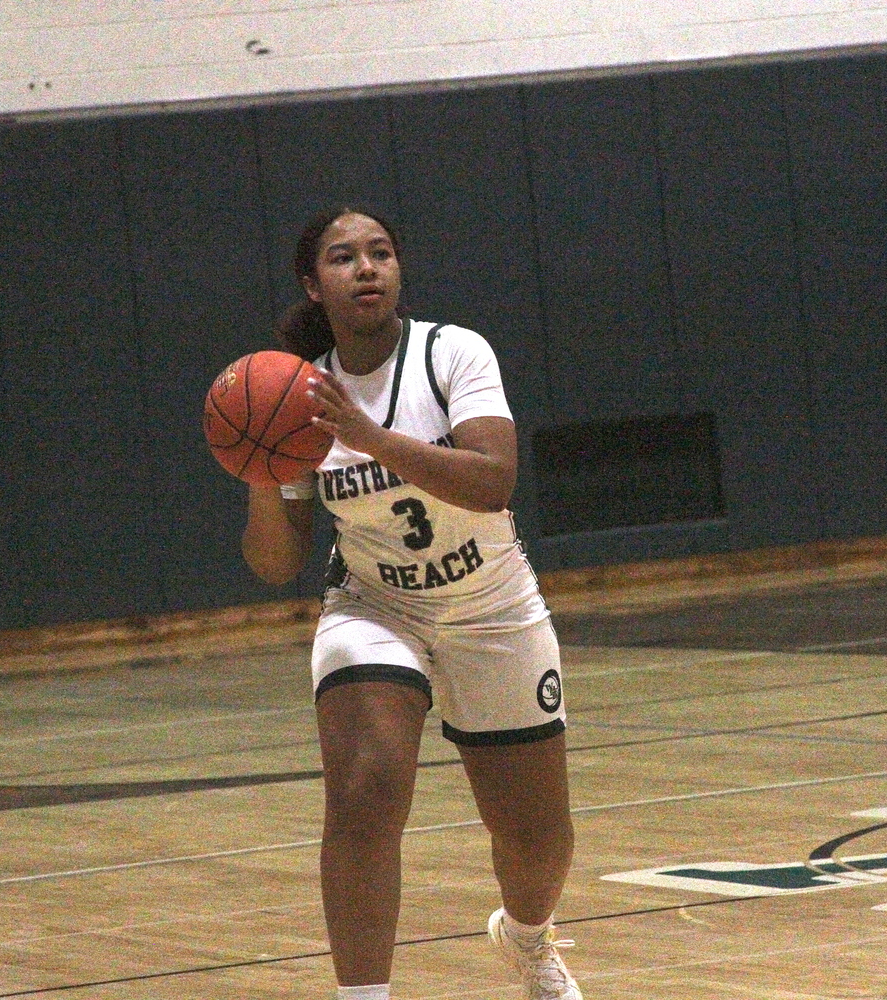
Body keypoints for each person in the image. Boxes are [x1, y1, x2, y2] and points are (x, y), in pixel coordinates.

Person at [241, 207, 581, 1000]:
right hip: (375, 606)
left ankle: (527, 938)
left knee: (536, 840)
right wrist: (258, 475)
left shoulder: (452, 352)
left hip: (492, 607)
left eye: (381, 253)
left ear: (398, 271)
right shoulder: (295, 395)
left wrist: (366, 434)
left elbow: (493, 481)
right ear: (312, 284)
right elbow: (275, 562)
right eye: (344, 257)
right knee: (365, 791)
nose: (366, 268)